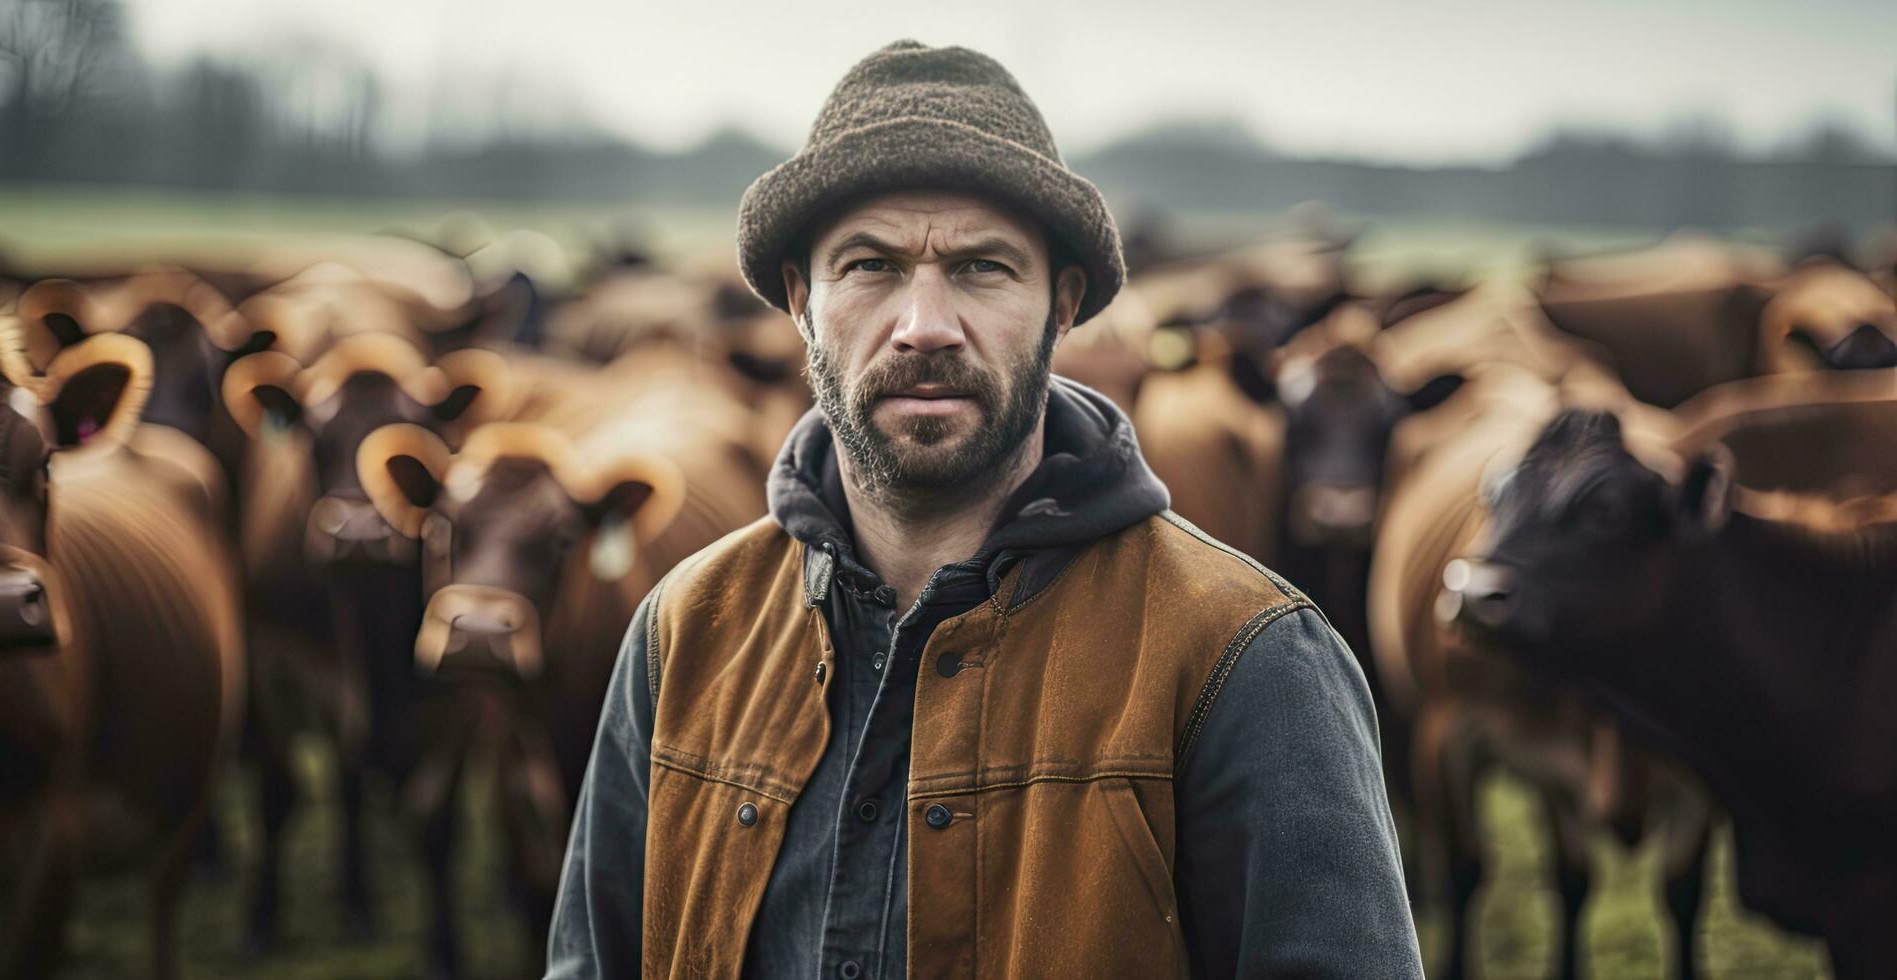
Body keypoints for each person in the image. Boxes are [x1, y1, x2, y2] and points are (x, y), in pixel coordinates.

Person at [546, 38, 1421, 978]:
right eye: (871, 265)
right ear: (801, 299)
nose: (924, 324)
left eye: (983, 268)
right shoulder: (686, 631)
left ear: (1063, 303)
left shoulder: (1244, 659)